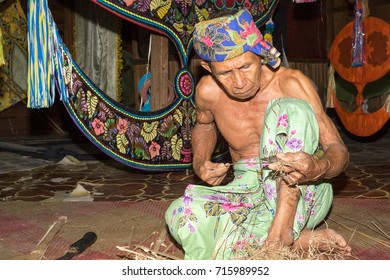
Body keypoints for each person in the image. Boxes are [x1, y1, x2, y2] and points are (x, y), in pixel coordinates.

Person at [165, 8, 351, 260]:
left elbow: (338, 150)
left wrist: (319, 167)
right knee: (181, 216)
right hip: (246, 188)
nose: (239, 82)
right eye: (226, 73)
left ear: (260, 55)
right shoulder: (208, 92)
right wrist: (200, 161)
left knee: (286, 107)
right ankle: (299, 240)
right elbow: (205, 125)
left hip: (304, 187)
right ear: (208, 67)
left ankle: (282, 231)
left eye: (245, 67)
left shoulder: (291, 83)